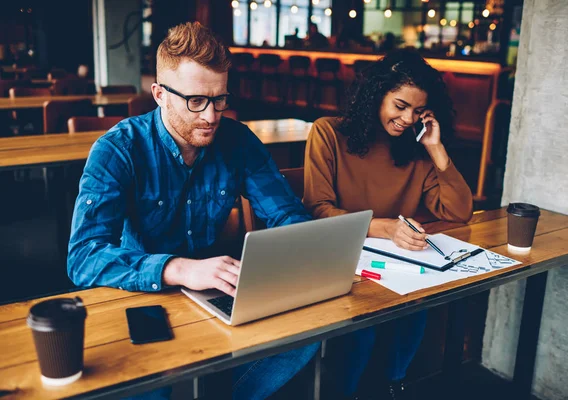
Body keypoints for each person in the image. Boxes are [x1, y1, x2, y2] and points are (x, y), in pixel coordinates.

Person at [67, 21, 319, 400]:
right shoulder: (118, 149)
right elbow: (83, 257)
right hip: (143, 291)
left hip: (216, 286)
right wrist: (182, 268)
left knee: (305, 339)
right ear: (159, 94)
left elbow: (287, 215)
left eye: (220, 99)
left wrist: (298, 250)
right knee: (153, 389)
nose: (211, 115)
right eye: (196, 101)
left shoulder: (237, 140)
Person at [303, 49, 473, 399]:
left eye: (418, 111)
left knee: (416, 305)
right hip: (341, 261)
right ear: (375, 96)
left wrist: (436, 149)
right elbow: (318, 210)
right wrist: (385, 228)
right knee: (362, 324)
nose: (408, 119)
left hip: (396, 267)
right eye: (399, 106)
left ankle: (393, 385)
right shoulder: (329, 134)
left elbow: (459, 212)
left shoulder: (415, 151)